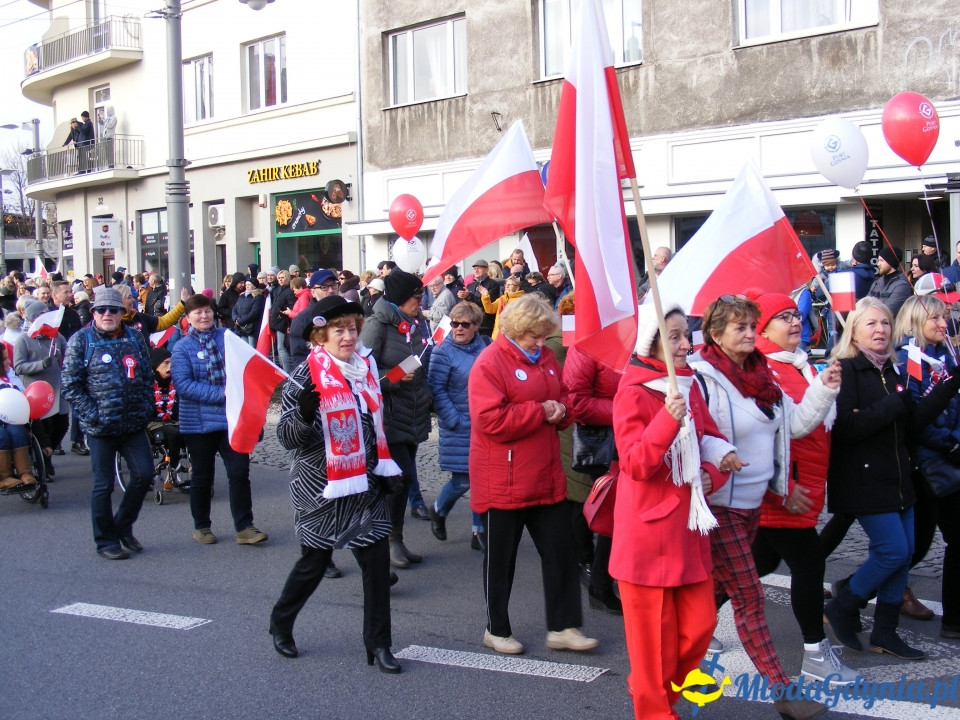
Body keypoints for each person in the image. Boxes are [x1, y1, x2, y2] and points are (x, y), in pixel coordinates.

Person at [690, 293, 840, 720]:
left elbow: (791, 425)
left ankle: (673, 644)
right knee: (750, 597)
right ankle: (783, 691)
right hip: (721, 504)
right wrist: (715, 457)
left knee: (722, 586)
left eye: (753, 327)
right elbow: (696, 434)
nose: (751, 335)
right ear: (716, 334)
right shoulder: (702, 377)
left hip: (755, 502)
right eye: (740, 327)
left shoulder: (764, 375)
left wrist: (823, 391)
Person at [612, 303, 737, 720]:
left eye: (687, 335)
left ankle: (654, 692)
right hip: (647, 536)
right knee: (651, 644)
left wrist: (712, 473)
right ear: (652, 342)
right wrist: (666, 419)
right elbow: (636, 465)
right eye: (675, 337)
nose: (686, 344)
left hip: (689, 529)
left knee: (700, 627)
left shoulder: (689, 384)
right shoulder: (632, 390)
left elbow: (712, 443)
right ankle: (654, 709)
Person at [269, 296, 404, 671]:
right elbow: (286, 438)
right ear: (320, 334)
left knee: (376, 567)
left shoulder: (363, 369)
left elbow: (372, 425)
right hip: (320, 487)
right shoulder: (304, 376)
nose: (347, 336)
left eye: (352, 328)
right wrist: (306, 415)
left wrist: (383, 467)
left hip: (363, 485)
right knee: (313, 564)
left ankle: (378, 645)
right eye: (338, 329)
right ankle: (281, 621)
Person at [824, 297, 960, 660]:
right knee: (893, 551)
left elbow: (912, 424)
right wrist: (890, 407)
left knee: (902, 557)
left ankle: (885, 632)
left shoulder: (895, 373)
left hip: (899, 477)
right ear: (853, 331)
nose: (880, 330)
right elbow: (845, 428)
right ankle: (844, 602)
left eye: (884, 323)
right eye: (871, 324)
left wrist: (949, 386)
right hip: (863, 480)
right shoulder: (847, 369)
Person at [468, 293, 597, 655]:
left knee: (560, 551)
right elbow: (489, 420)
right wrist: (542, 411)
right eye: (534, 337)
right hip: (503, 478)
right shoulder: (490, 362)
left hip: (544, 474)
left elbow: (564, 396)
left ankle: (564, 627)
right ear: (515, 330)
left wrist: (564, 410)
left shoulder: (546, 359)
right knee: (501, 561)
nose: (541, 343)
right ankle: (497, 628)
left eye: (544, 336)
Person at [749, 291, 857, 684]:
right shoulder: (764, 370)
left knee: (759, 563)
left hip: (799, 486)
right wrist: (783, 488)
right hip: (783, 491)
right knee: (809, 564)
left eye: (795, 315)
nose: (795, 322)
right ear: (763, 328)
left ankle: (697, 625)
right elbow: (786, 428)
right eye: (782, 317)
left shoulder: (796, 363)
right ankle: (815, 655)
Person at [62, 287, 156, 559]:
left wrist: (146, 406)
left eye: (113, 310)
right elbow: (71, 385)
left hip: (133, 425)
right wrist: (93, 415)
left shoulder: (135, 337)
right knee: (103, 485)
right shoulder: (82, 340)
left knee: (144, 475)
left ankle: (123, 527)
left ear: (122, 313)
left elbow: (147, 375)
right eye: (101, 310)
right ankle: (105, 541)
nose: (107, 314)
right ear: (93, 313)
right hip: (101, 428)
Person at [171, 294, 267, 546]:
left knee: (239, 473)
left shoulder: (229, 338)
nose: (204, 316)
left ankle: (245, 526)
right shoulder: (181, 347)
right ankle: (202, 526)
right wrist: (222, 394)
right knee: (203, 476)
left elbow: (245, 367)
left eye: (207, 311)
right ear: (187, 318)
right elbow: (183, 385)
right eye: (197, 313)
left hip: (231, 420)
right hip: (198, 423)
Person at [894, 294, 960, 634]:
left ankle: (953, 619)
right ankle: (854, 592)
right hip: (925, 463)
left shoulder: (945, 355)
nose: (943, 324)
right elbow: (917, 416)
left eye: (944, 317)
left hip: (947, 455)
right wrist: (949, 441)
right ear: (917, 321)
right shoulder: (911, 359)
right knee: (914, 546)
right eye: (935, 318)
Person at [359, 269, 433, 568]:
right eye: (417, 296)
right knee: (397, 480)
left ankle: (394, 539)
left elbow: (419, 361)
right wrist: (394, 378)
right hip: (387, 416)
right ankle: (389, 541)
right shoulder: (377, 325)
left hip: (412, 411)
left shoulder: (413, 325)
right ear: (402, 297)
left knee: (403, 479)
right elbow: (360, 372)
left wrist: (426, 392)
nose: (421, 301)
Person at [563, 329, 623, 615]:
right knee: (615, 512)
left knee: (623, 514)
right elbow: (576, 401)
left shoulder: (635, 340)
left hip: (633, 438)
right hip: (604, 445)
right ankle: (600, 583)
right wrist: (628, 407)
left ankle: (606, 580)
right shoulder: (586, 346)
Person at [426, 301, 489, 548]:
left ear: (476, 326)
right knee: (463, 481)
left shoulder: (486, 346)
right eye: (454, 323)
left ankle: (478, 531)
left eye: (465, 324)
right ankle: (439, 510)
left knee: (482, 479)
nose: (458, 328)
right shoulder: (443, 351)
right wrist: (454, 419)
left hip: (485, 423)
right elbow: (436, 390)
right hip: (460, 425)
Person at [15, 300, 68, 479]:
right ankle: (43, 461)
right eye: (41, 313)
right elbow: (19, 367)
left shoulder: (56, 336)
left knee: (62, 425)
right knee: (44, 430)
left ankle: (47, 452)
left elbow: (68, 358)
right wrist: (40, 365)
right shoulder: (24, 339)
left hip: (56, 390)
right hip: (36, 393)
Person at [147, 347, 186, 492]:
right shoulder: (148, 384)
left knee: (189, 432)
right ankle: (173, 467)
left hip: (174, 420)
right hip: (154, 422)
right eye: (165, 363)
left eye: (172, 363)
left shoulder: (175, 382)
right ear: (156, 366)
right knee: (173, 434)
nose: (170, 367)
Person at [0, 343, 36, 491]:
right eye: (4, 359)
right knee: (1, 436)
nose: (9, 362)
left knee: (18, 432)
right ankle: (3, 477)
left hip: (12, 416)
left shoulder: (10, 375)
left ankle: (25, 473)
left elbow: (25, 401)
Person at [458, 260, 500, 337]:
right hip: (472, 323)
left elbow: (487, 304)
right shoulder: (471, 285)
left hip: (485, 325)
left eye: (479, 268)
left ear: (486, 270)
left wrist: (469, 296)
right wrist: (463, 296)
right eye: (474, 268)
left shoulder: (493, 284)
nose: (476, 270)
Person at [868, 245, 912, 319]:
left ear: (891, 262)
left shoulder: (902, 285)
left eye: (881, 260)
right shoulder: (878, 282)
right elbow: (867, 302)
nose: (878, 264)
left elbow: (889, 311)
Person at [479, 274, 524, 339]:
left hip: (512, 336)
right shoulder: (502, 298)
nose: (507, 286)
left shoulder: (521, 301)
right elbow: (490, 310)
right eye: (506, 285)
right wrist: (485, 297)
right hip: (497, 335)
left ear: (517, 287)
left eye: (510, 285)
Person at [232, 279, 265, 347]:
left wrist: (241, 321)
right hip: (240, 328)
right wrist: (236, 319)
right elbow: (234, 309)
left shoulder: (258, 297)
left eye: (249, 285)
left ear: (254, 286)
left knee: (252, 349)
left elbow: (254, 312)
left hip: (251, 328)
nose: (247, 286)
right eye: (246, 285)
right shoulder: (242, 296)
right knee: (244, 349)